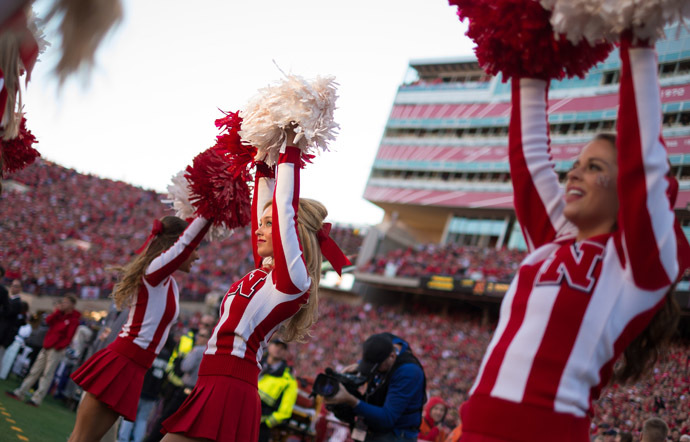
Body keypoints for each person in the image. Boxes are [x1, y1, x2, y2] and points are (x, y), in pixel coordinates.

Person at [459, 35, 683, 442]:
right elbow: (529, 159)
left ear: (627, 190)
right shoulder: (553, 242)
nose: (573, 174)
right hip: (475, 429)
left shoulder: (642, 266)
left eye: (594, 166)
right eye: (576, 164)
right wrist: (526, 58)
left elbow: (644, 161)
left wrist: (638, 38)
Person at [161, 133, 348, 442]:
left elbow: (283, 208)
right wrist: (262, 156)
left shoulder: (292, 282)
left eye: (268, 224)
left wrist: (291, 146)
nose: (259, 230)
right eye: (261, 223)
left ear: (292, 234)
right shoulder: (264, 271)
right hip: (212, 380)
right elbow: (269, 203)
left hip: (230, 385)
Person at [67, 215, 212, 442]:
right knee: (81, 440)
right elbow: (186, 244)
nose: (197, 254)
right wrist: (210, 212)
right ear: (177, 246)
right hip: (121, 360)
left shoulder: (170, 283)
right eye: (195, 248)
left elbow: (184, 245)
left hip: (136, 367)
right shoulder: (154, 271)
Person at [326, 333, 426, 442]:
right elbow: (375, 352)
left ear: (392, 356)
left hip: (396, 434)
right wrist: (360, 369)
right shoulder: (385, 342)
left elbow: (387, 418)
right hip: (374, 428)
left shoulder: (408, 372)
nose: (373, 371)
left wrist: (351, 400)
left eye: (376, 367)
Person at [7, 294, 81, 406]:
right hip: (47, 346)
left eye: (66, 302)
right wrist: (57, 312)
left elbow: (68, 337)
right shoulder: (59, 315)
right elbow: (48, 321)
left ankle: (37, 398)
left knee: (47, 374)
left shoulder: (73, 319)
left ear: (72, 304)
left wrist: (58, 346)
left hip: (55, 349)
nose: (63, 304)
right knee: (35, 371)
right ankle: (20, 392)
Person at [145, 328, 211, 442]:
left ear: (207, 339)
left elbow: (185, 367)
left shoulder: (197, 350)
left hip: (184, 389)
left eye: (202, 335)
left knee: (166, 417)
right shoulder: (209, 352)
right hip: (194, 392)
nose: (198, 337)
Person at [258, 338, 298, 442]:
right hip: (237, 414)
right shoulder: (254, 362)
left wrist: (265, 424)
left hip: (260, 427)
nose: (278, 349)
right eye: (276, 345)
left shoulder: (289, 380)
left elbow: (285, 412)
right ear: (269, 346)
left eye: (282, 348)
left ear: (285, 353)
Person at [0, 279, 25, 362]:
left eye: (16, 286)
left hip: (4, 336)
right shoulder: (10, 300)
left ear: (20, 288)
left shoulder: (17, 303)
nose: (12, 288)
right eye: (12, 285)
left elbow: (6, 314)